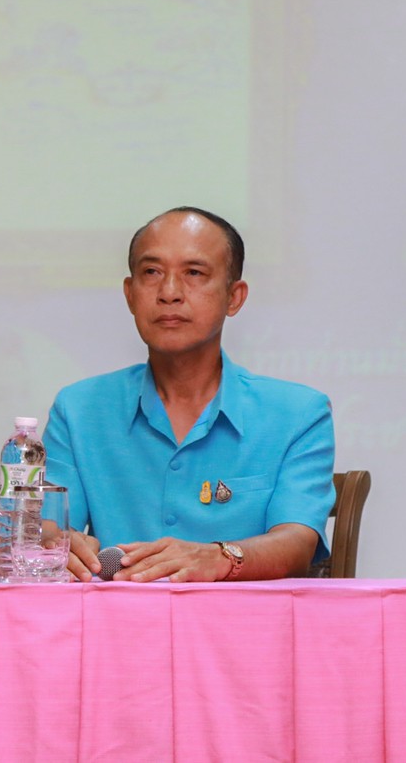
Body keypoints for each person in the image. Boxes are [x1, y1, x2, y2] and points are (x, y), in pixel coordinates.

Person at [45, 207, 335, 582]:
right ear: (130, 294)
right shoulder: (78, 410)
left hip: (245, 619)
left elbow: (297, 544)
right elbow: (50, 525)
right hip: (119, 617)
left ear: (234, 297)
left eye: (194, 273)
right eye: (152, 272)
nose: (169, 293)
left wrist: (219, 557)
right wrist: (53, 542)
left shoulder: (298, 414)